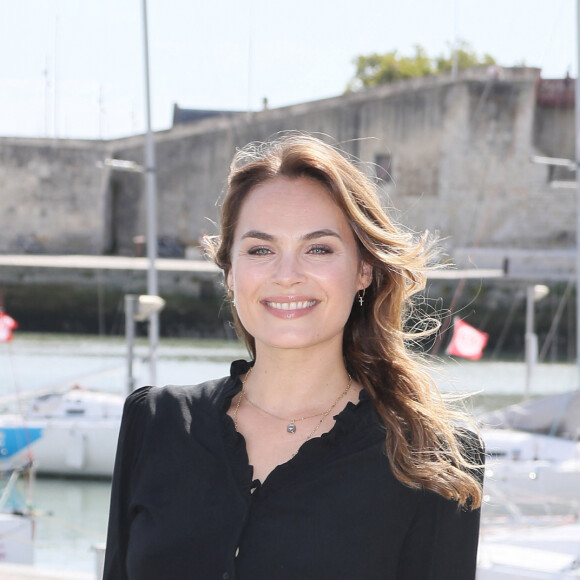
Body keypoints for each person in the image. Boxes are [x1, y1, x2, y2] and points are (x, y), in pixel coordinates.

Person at [103, 133, 484, 580]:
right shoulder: (156, 422)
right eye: (261, 249)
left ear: (363, 269)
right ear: (229, 272)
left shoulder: (433, 458)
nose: (287, 275)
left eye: (318, 249)